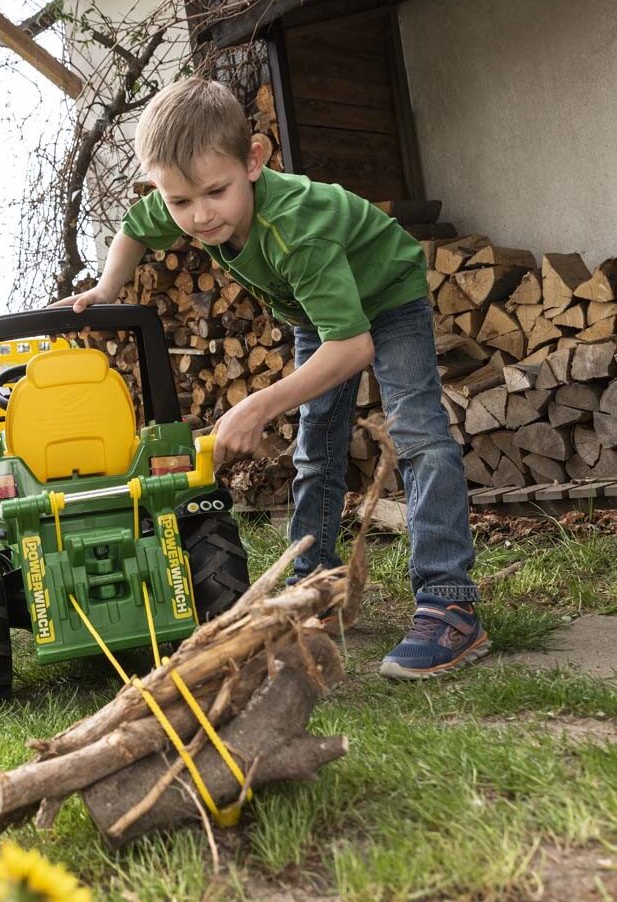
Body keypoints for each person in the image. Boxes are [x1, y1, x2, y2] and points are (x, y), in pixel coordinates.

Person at [53, 77, 489, 679]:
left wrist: (256, 405)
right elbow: (134, 229)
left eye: (216, 192)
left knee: (418, 434)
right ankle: (314, 594)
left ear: (254, 160)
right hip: (316, 310)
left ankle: (450, 606)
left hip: (385, 296)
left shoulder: (295, 229)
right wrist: (107, 287)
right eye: (180, 202)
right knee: (317, 445)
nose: (200, 216)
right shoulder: (180, 201)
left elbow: (352, 346)